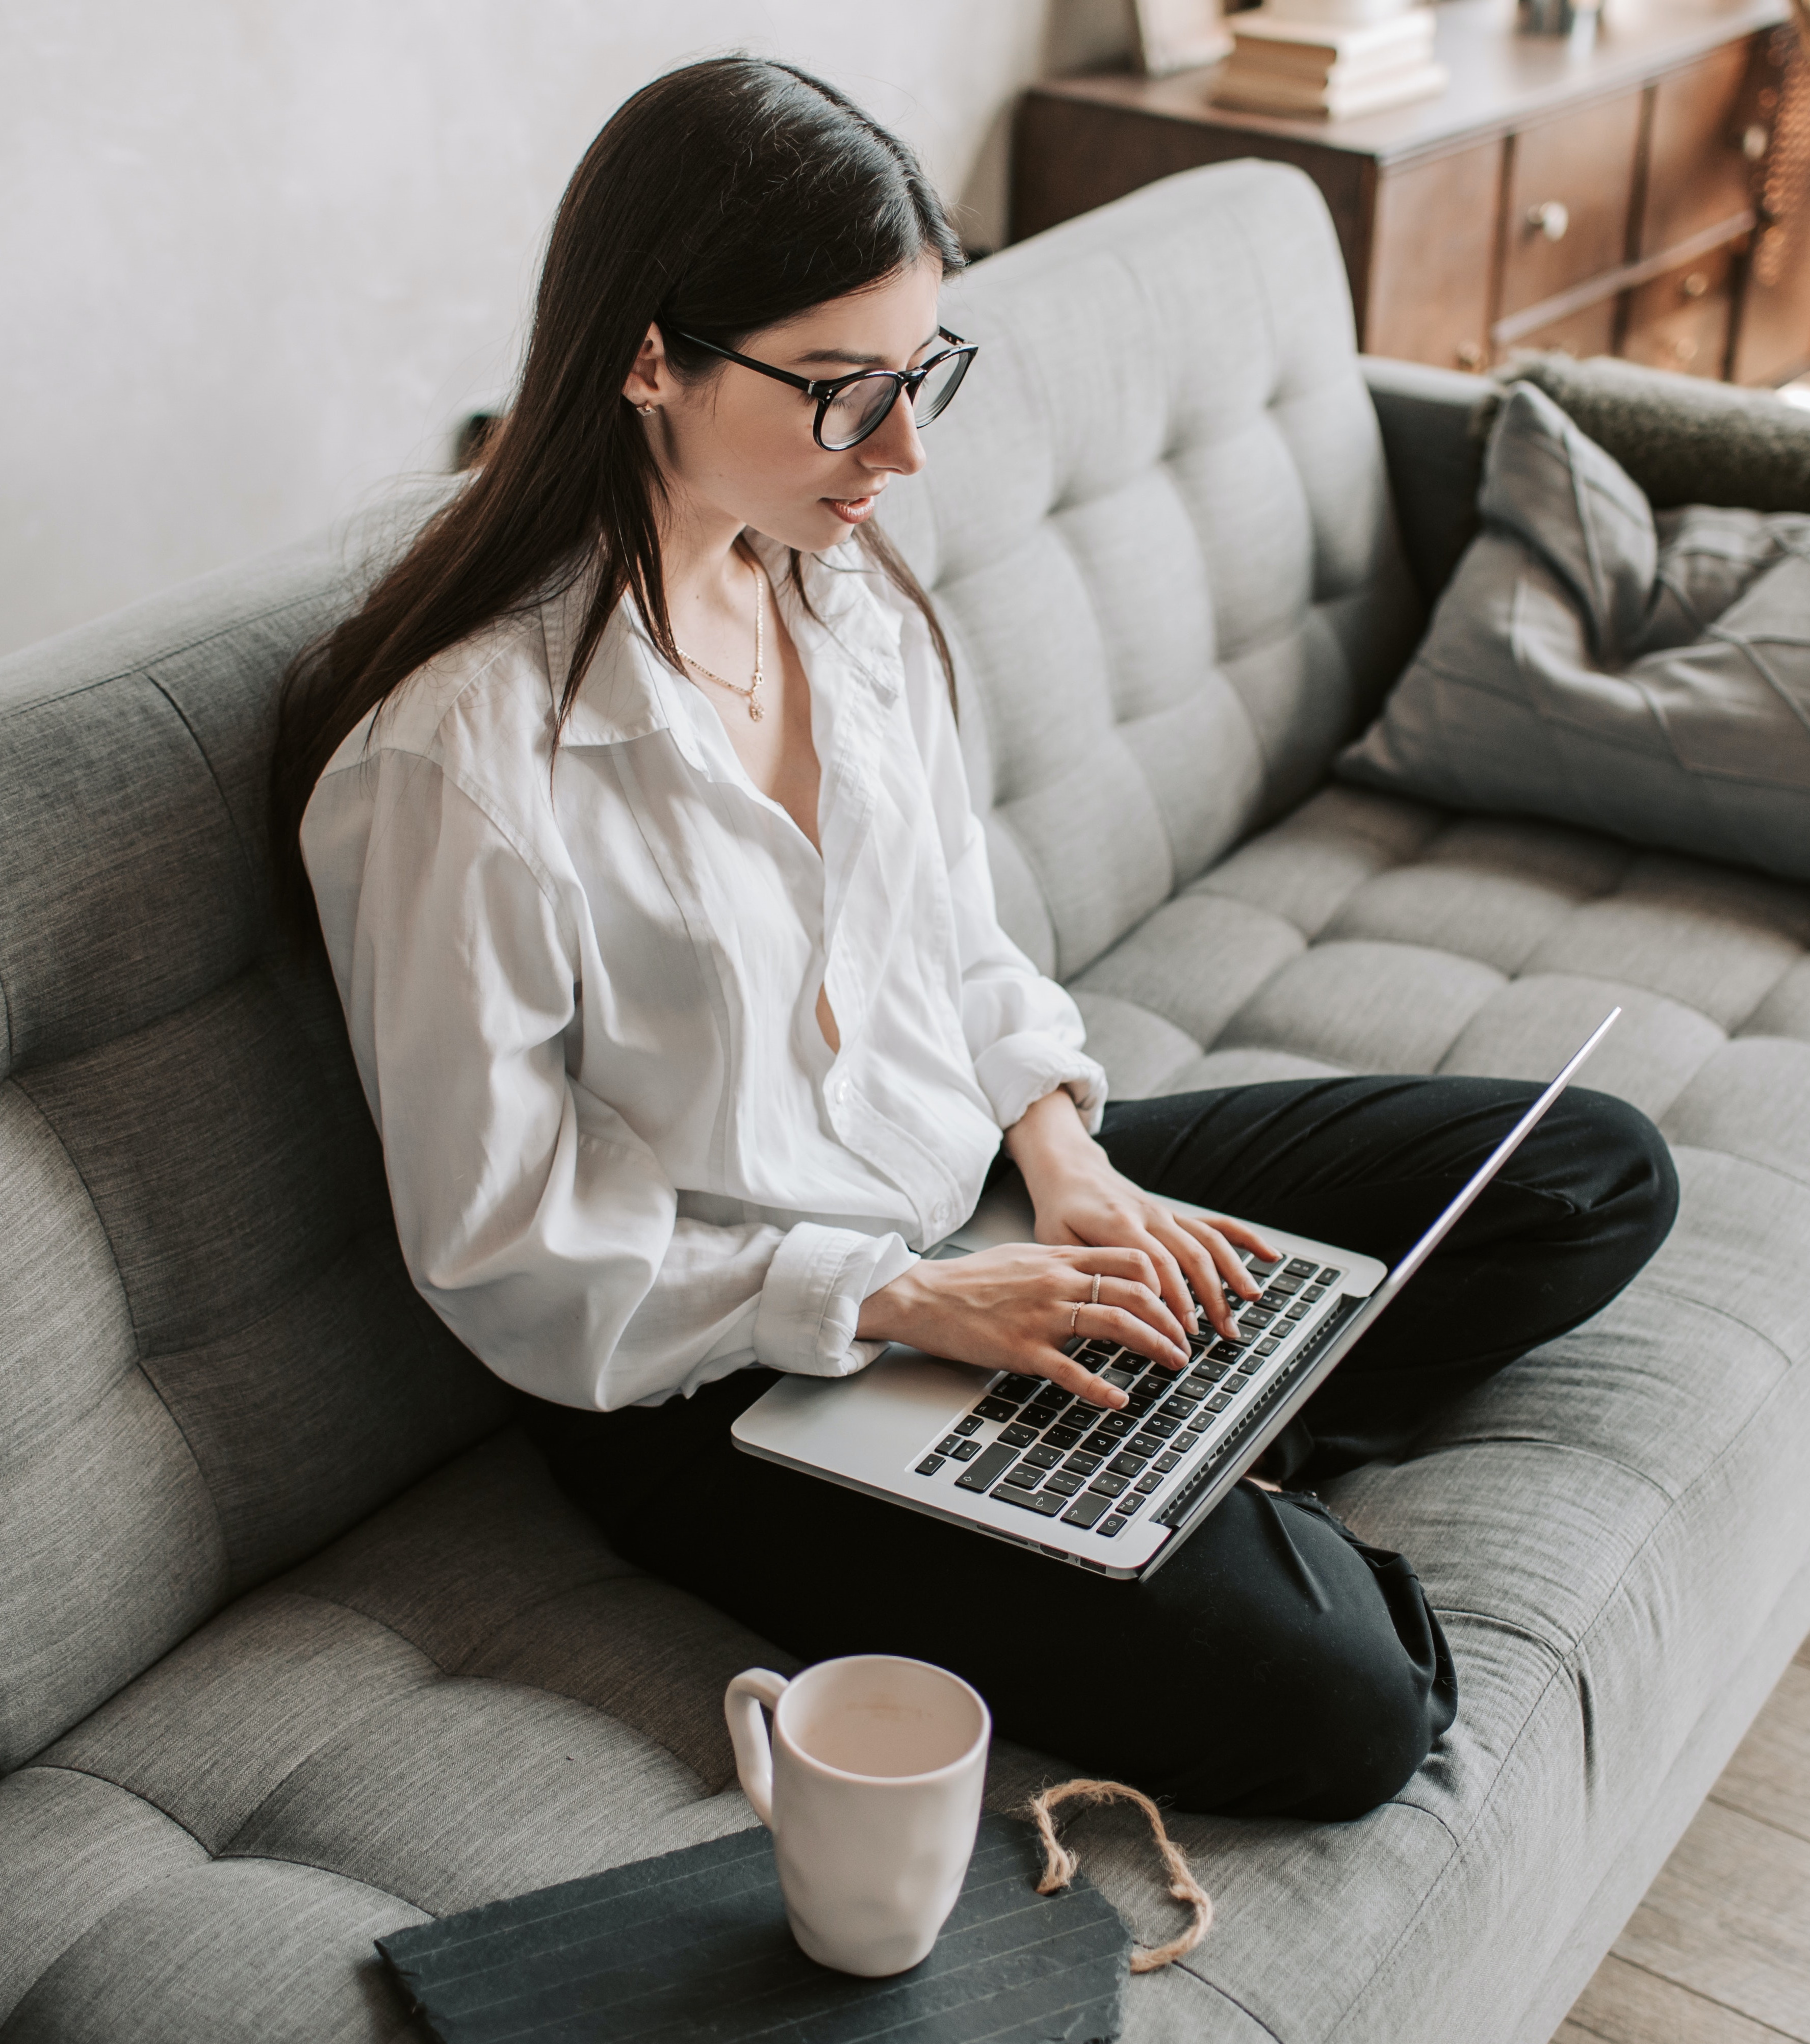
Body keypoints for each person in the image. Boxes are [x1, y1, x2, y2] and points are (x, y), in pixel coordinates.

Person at [272, 56, 1677, 1821]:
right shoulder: (460, 762)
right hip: (726, 1370)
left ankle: (1163, 1431)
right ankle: (1177, 1456)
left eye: (921, 374)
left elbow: (958, 939)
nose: (908, 449)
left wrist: (1069, 1160)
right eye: (849, 391)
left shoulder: (832, 588)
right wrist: (911, 1302)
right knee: (1349, 1713)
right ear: (651, 358)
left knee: (1591, 1172)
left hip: (977, 1208)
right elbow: (507, 1250)